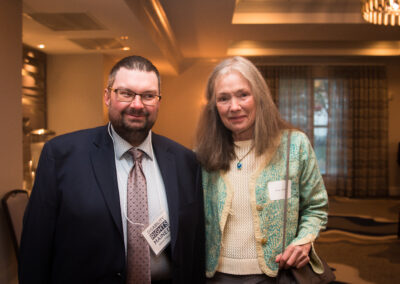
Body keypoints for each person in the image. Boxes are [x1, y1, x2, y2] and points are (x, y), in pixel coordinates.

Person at [19, 55, 205, 284]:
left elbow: (195, 250)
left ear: (158, 101)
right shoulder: (61, 156)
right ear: (107, 96)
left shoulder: (185, 162)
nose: (137, 105)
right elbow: (35, 249)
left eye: (148, 96)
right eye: (126, 93)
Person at [195, 56, 328, 283]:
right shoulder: (202, 155)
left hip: (276, 274)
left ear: (259, 97)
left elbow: (316, 206)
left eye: (243, 95)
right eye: (223, 98)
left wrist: (304, 240)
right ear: (214, 107)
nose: (234, 107)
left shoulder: (294, 146)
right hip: (216, 276)